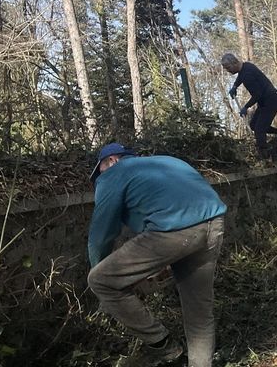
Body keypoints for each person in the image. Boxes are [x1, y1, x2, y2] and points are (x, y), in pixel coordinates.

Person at [86, 143, 227, 367]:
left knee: (99, 280)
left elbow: (101, 235)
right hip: (214, 223)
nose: (99, 178)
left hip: (174, 231)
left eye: (100, 170)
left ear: (112, 160)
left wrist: (100, 270)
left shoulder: (113, 174)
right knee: (198, 311)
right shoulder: (169, 161)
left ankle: (166, 347)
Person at [221, 53, 277, 158]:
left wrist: (246, 107)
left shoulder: (247, 75)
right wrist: (235, 86)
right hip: (265, 101)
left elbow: (257, 95)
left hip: (271, 100)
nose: (228, 71)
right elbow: (240, 77)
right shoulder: (246, 66)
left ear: (234, 63)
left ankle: (264, 156)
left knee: (259, 130)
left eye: (228, 67)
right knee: (254, 125)